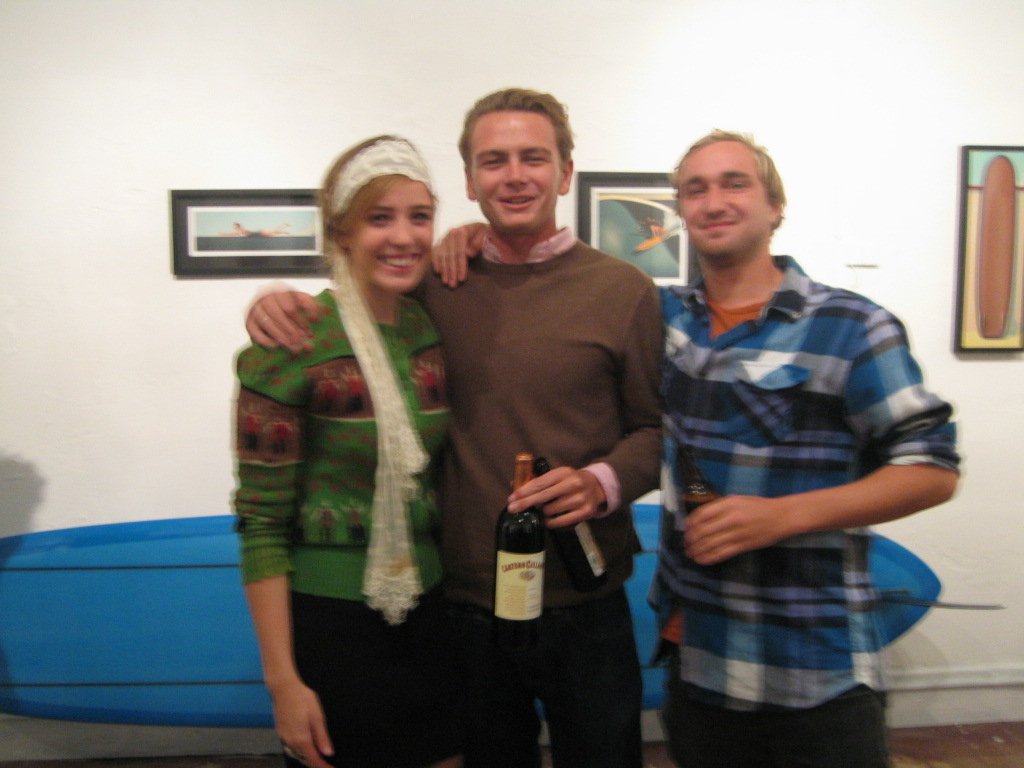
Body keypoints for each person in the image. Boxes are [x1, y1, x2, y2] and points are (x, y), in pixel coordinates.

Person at [246, 88, 663, 768]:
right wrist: (272, 300)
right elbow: (354, 296)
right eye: (494, 161)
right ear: (470, 181)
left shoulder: (624, 290)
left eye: (534, 157)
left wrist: (603, 481)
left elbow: (654, 429)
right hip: (465, 605)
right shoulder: (435, 286)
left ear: (565, 172)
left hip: (584, 599)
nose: (515, 176)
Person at [655, 130, 960, 768]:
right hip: (700, 663)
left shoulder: (851, 326)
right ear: (681, 210)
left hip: (814, 672)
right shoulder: (665, 319)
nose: (714, 201)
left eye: (735, 183)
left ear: (775, 206)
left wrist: (781, 516)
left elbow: (931, 466)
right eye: (695, 189)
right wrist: (470, 241)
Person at [233, 135, 462, 768]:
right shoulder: (290, 345)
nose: (404, 237)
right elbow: (261, 524)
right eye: (379, 217)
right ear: (342, 232)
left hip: (432, 609)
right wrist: (283, 682)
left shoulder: (428, 327)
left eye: (420, 216)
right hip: (330, 622)